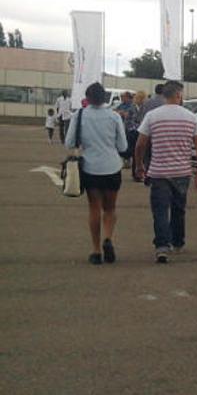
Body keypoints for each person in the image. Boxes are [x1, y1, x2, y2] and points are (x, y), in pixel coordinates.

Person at [135, 81, 197, 264]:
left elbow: (141, 144)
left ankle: (161, 247)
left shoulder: (152, 116)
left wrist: (139, 165)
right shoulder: (191, 117)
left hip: (158, 172)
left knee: (160, 210)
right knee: (178, 209)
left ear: (164, 96)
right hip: (182, 171)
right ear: (179, 95)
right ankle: (178, 242)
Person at [65, 83, 128, 265]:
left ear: (88, 98)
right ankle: (108, 238)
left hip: (90, 168)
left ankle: (96, 250)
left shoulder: (80, 115)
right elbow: (123, 146)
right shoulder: (114, 117)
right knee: (110, 208)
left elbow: (69, 142)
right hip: (112, 167)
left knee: (94, 208)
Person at [125, 91, 147, 179]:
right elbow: (127, 121)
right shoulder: (131, 108)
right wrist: (133, 127)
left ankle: (140, 173)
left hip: (142, 132)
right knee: (135, 153)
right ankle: (136, 174)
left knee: (141, 153)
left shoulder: (145, 108)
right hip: (133, 132)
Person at [114, 92, 134, 167]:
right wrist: (120, 112)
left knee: (128, 144)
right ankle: (123, 159)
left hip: (129, 127)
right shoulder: (122, 104)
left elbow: (128, 115)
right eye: (121, 96)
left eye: (123, 97)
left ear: (128, 97)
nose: (121, 98)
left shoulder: (132, 105)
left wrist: (122, 113)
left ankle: (127, 160)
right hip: (121, 126)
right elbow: (115, 111)